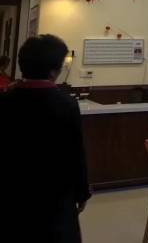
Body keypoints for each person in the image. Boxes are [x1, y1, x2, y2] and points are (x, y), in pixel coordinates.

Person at [0, 35, 90, 243]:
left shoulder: (5, 100)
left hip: (12, 191)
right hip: (56, 195)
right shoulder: (66, 104)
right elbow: (76, 153)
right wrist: (82, 192)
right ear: (53, 71)